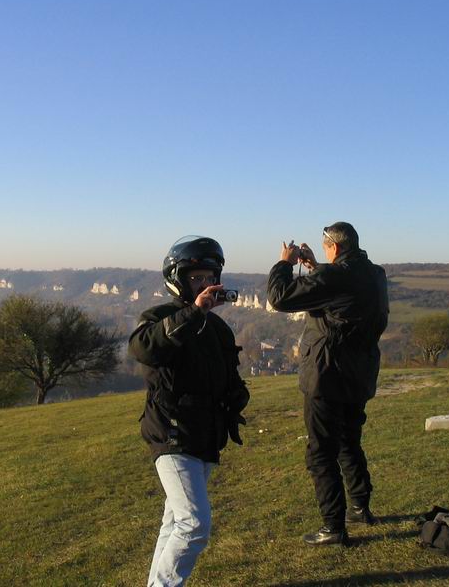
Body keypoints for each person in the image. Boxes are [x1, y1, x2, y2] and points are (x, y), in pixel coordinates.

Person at [129, 235, 249, 587]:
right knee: (194, 524)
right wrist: (194, 311)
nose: (205, 284)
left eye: (210, 277)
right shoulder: (160, 317)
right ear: (178, 280)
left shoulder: (218, 328)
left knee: (175, 522)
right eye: (196, 278)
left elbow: (226, 375)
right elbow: (143, 348)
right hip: (172, 433)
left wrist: (236, 395)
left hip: (204, 435)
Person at [267, 222, 389, 546]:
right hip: (359, 372)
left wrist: (284, 263)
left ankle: (333, 526)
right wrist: (316, 267)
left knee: (321, 452)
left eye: (325, 249)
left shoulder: (335, 276)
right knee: (349, 441)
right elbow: (341, 291)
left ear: (334, 247)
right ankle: (360, 507)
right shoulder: (375, 274)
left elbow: (279, 298)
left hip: (326, 374)